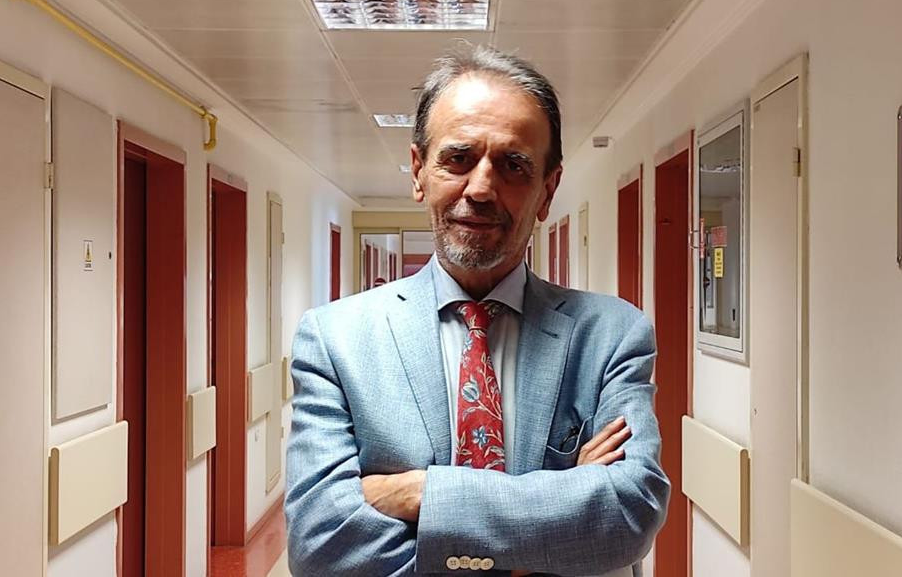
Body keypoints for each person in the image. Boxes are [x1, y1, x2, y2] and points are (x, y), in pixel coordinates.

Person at [285, 45, 669, 576]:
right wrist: (555, 512)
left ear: (548, 189)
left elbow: (627, 516)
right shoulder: (335, 339)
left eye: (514, 165)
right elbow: (320, 546)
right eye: (459, 158)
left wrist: (421, 494)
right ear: (418, 171)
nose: (483, 188)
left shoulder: (611, 335)